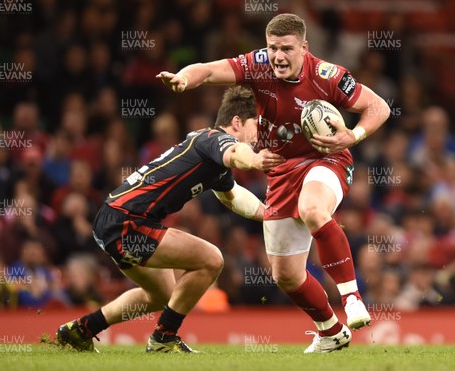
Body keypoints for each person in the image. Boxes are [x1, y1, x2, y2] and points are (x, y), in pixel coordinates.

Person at [157, 13, 390, 353]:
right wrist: (183, 78)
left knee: (312, 209)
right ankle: (330, 332)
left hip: (324, 159)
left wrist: (353, 135)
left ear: (304, 48)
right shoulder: (257, 66)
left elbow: (378, 106)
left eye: (286, 49)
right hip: (280, 170)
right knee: (285, 275)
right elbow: (207, 70)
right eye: (272, 48)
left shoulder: (328, 76)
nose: (278, 56)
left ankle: (352, 297)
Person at [56, 86, 284, 353]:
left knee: (161, 294)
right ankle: (164, 337)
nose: (259, 135)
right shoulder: (213, 139)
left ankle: (81, 330)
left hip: (116, 220)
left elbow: (233, 196)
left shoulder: (213, 160)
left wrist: (270, 214)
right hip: (127, 221)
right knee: (211, 260)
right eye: (256, 125)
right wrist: (257, 160)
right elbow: (236, 154)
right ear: (236, 122)